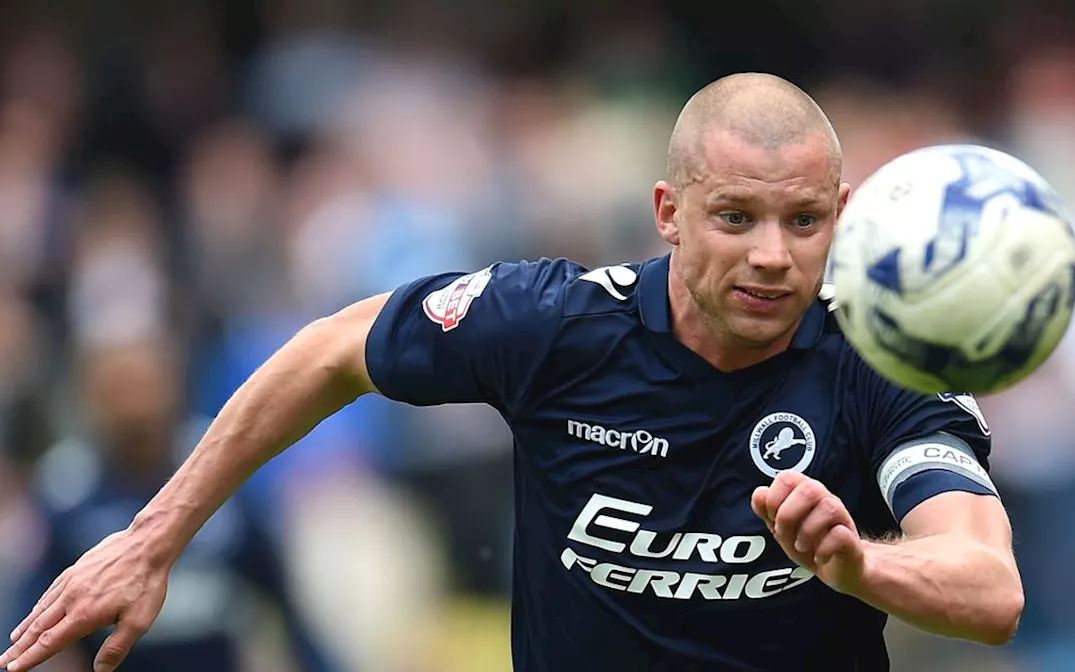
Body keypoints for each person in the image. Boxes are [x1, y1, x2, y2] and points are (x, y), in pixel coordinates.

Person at [1, 72, 1023, 672]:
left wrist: (859, 566)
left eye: (802, 222)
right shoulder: (556, 324)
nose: (770, 253)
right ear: (669, 213)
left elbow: (988, 589)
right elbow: (327, 351)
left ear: (838, 218)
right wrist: (154, 539)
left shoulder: (882, 361)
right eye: (735, 217)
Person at [8, 332, 338, 672]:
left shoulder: (225, 474)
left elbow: (285, 604)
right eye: (120, 388)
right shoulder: (65, 490)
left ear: (173, 383)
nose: (135, 404)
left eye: (144, 383)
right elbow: (29, 624)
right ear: (92, 397)